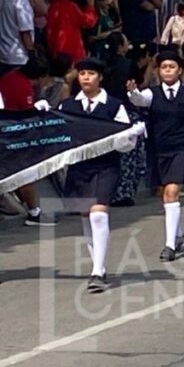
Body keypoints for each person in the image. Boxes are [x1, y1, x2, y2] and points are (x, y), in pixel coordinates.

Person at [127, 51, 184, 261]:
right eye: (164, 67)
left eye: (172, 67)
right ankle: (177, 233)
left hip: (181, 148)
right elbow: (140, 100)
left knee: (172, 192)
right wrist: (132, 92)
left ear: (180, 70)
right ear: (158, 70)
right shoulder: (152, 93)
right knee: (163, 194)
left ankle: (169, 246)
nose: (168, 71)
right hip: (158, 150)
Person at [58, 57, 133, 293]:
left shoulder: (113, 105)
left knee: (98, 215)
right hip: (79, 168)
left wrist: (124, 138)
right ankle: (97, 265)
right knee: (85, 216)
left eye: (91, 73)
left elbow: (127, 141)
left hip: (106, 166)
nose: (86, 78)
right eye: (82, 74)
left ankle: (98, 272)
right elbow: (58, 135)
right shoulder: (68, 106)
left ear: (100, 77)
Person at [0, 54, 58, 225]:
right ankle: (34, 212)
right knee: (25, 172)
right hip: (12, 134)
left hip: (8, 130)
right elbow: (27, 115)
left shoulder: (11, 76)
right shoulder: (23, 87)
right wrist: (37, 108)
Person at [46, 0, 99, 64]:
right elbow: (88, 21)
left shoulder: (52, 7)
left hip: (55, 51)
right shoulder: (70, 6)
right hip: (72, 51)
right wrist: (90, 7)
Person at [0, 0, 36, 75]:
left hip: (3, 53)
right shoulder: (21, 0)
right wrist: (31, 52)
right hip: (19, 56)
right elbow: (25, 30)